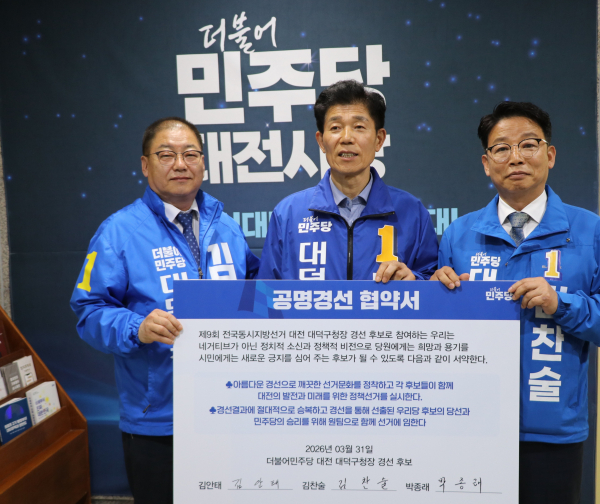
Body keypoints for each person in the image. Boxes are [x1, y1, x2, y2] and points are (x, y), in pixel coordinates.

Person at [70, 117, 259, 504]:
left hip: (230, 412)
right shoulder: (118, 232)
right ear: (145, 165)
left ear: (203, 163)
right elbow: (88, 311)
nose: (180, 164)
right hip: (158, 421)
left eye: (190, 154)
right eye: (166, 155)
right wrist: (136, 327)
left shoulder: (226, 227)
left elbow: (258, 292)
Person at [431, 101, 600, 504]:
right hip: (472, 424)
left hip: (552, 429)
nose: (516, 157)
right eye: (502, 148)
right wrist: (436, 296)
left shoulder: (590, 230)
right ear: (486, 163)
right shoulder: (459, 234)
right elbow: (439, 337)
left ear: (550, 154)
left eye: (528, 144)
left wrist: (561, 303)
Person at [258, 80, 438, 281]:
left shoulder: (412, 212)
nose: (346, 138)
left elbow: (432, 279)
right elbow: (264, 293)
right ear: (321, 141)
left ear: (379, 140)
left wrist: (415, 280)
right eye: (335, 127)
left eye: (359, 127)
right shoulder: (288, 214)